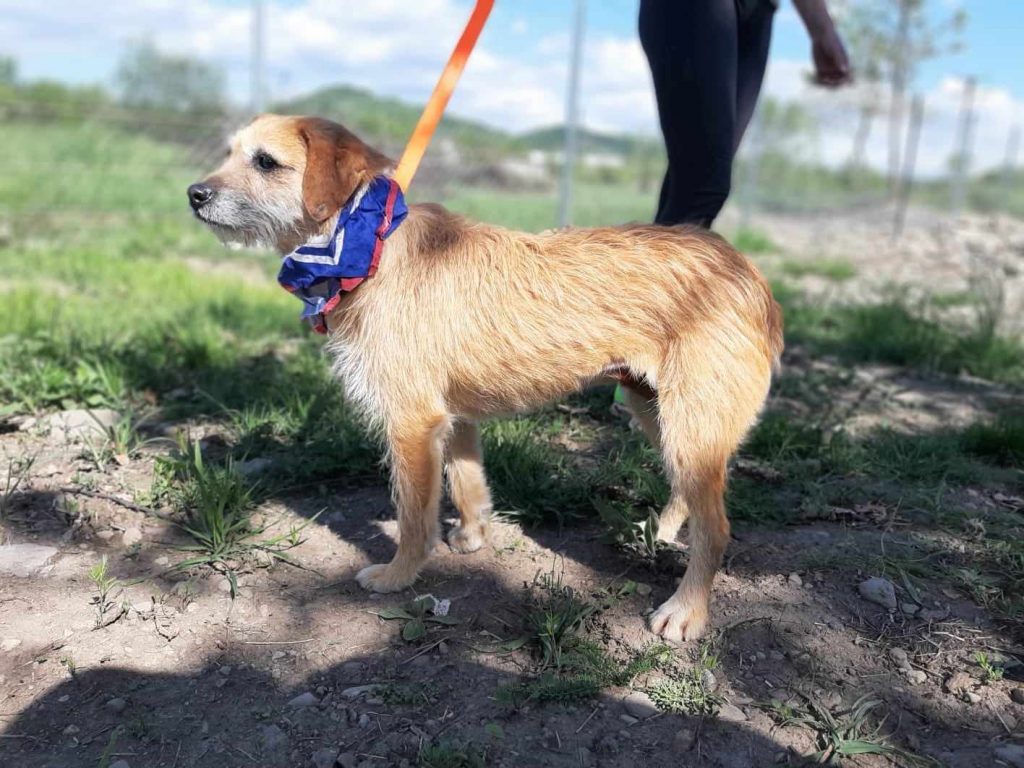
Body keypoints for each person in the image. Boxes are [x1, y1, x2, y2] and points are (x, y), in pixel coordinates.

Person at [639, 0, 851, 228]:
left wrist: (822, 29)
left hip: (759, 12)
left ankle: (643, 262)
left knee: (693, 189)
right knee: (703, 189)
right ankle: (647, 262)